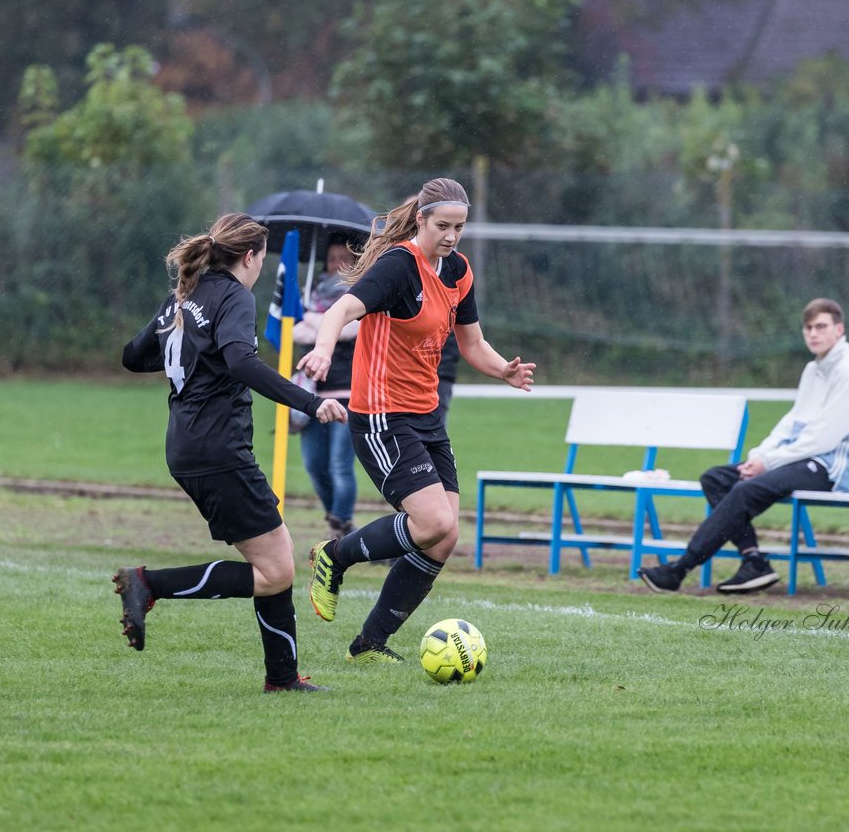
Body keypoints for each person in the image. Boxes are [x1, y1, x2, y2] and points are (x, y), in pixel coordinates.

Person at [296, 177, 535, 663]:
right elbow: (341, 309)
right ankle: (333, 556)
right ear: (422, 219)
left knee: (445, 537)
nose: (451, 236)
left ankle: (369, 644)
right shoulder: (399, 266)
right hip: (381, 415)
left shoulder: (458, 270)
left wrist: (502, 370)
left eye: (459, 227)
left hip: (424, 417)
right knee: (431, 522)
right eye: (443, 226)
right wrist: (321, 351)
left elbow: (471, 343)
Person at [113, 213, 347, 692]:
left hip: (186, 446)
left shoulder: (186, 292)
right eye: (264, 258)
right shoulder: (236, 295)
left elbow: (133, 356)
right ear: (250, 256)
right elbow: (241, 361)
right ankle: (149, 583)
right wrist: (311, 401)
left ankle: (282, 678)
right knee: (276, 570)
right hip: (218, 448)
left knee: (275, 561)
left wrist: (185, 339)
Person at [639, 298, 849, 594]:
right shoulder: (814, 370)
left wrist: (769, 463)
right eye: (808, 328)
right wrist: (760, 456)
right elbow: (792, 423)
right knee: (716, 478)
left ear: (839, 329)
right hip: (801, 459)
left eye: (821, 327)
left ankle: (679, 569)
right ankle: (754, 562)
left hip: (830, 469)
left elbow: (823, 438)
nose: (813, 334)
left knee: (744, 489)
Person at [294, 237, 361, 542]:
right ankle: (339, 521)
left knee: (339, 465)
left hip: (349, 394)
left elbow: (351, 328)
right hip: (310, 397)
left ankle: (341, 523)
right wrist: (323, 324)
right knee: (314, 464)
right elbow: (292, 330)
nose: (338, 265)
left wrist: (314, 324)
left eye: (345, 259)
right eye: (333, 258)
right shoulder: (312, 292)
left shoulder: (364, 296)